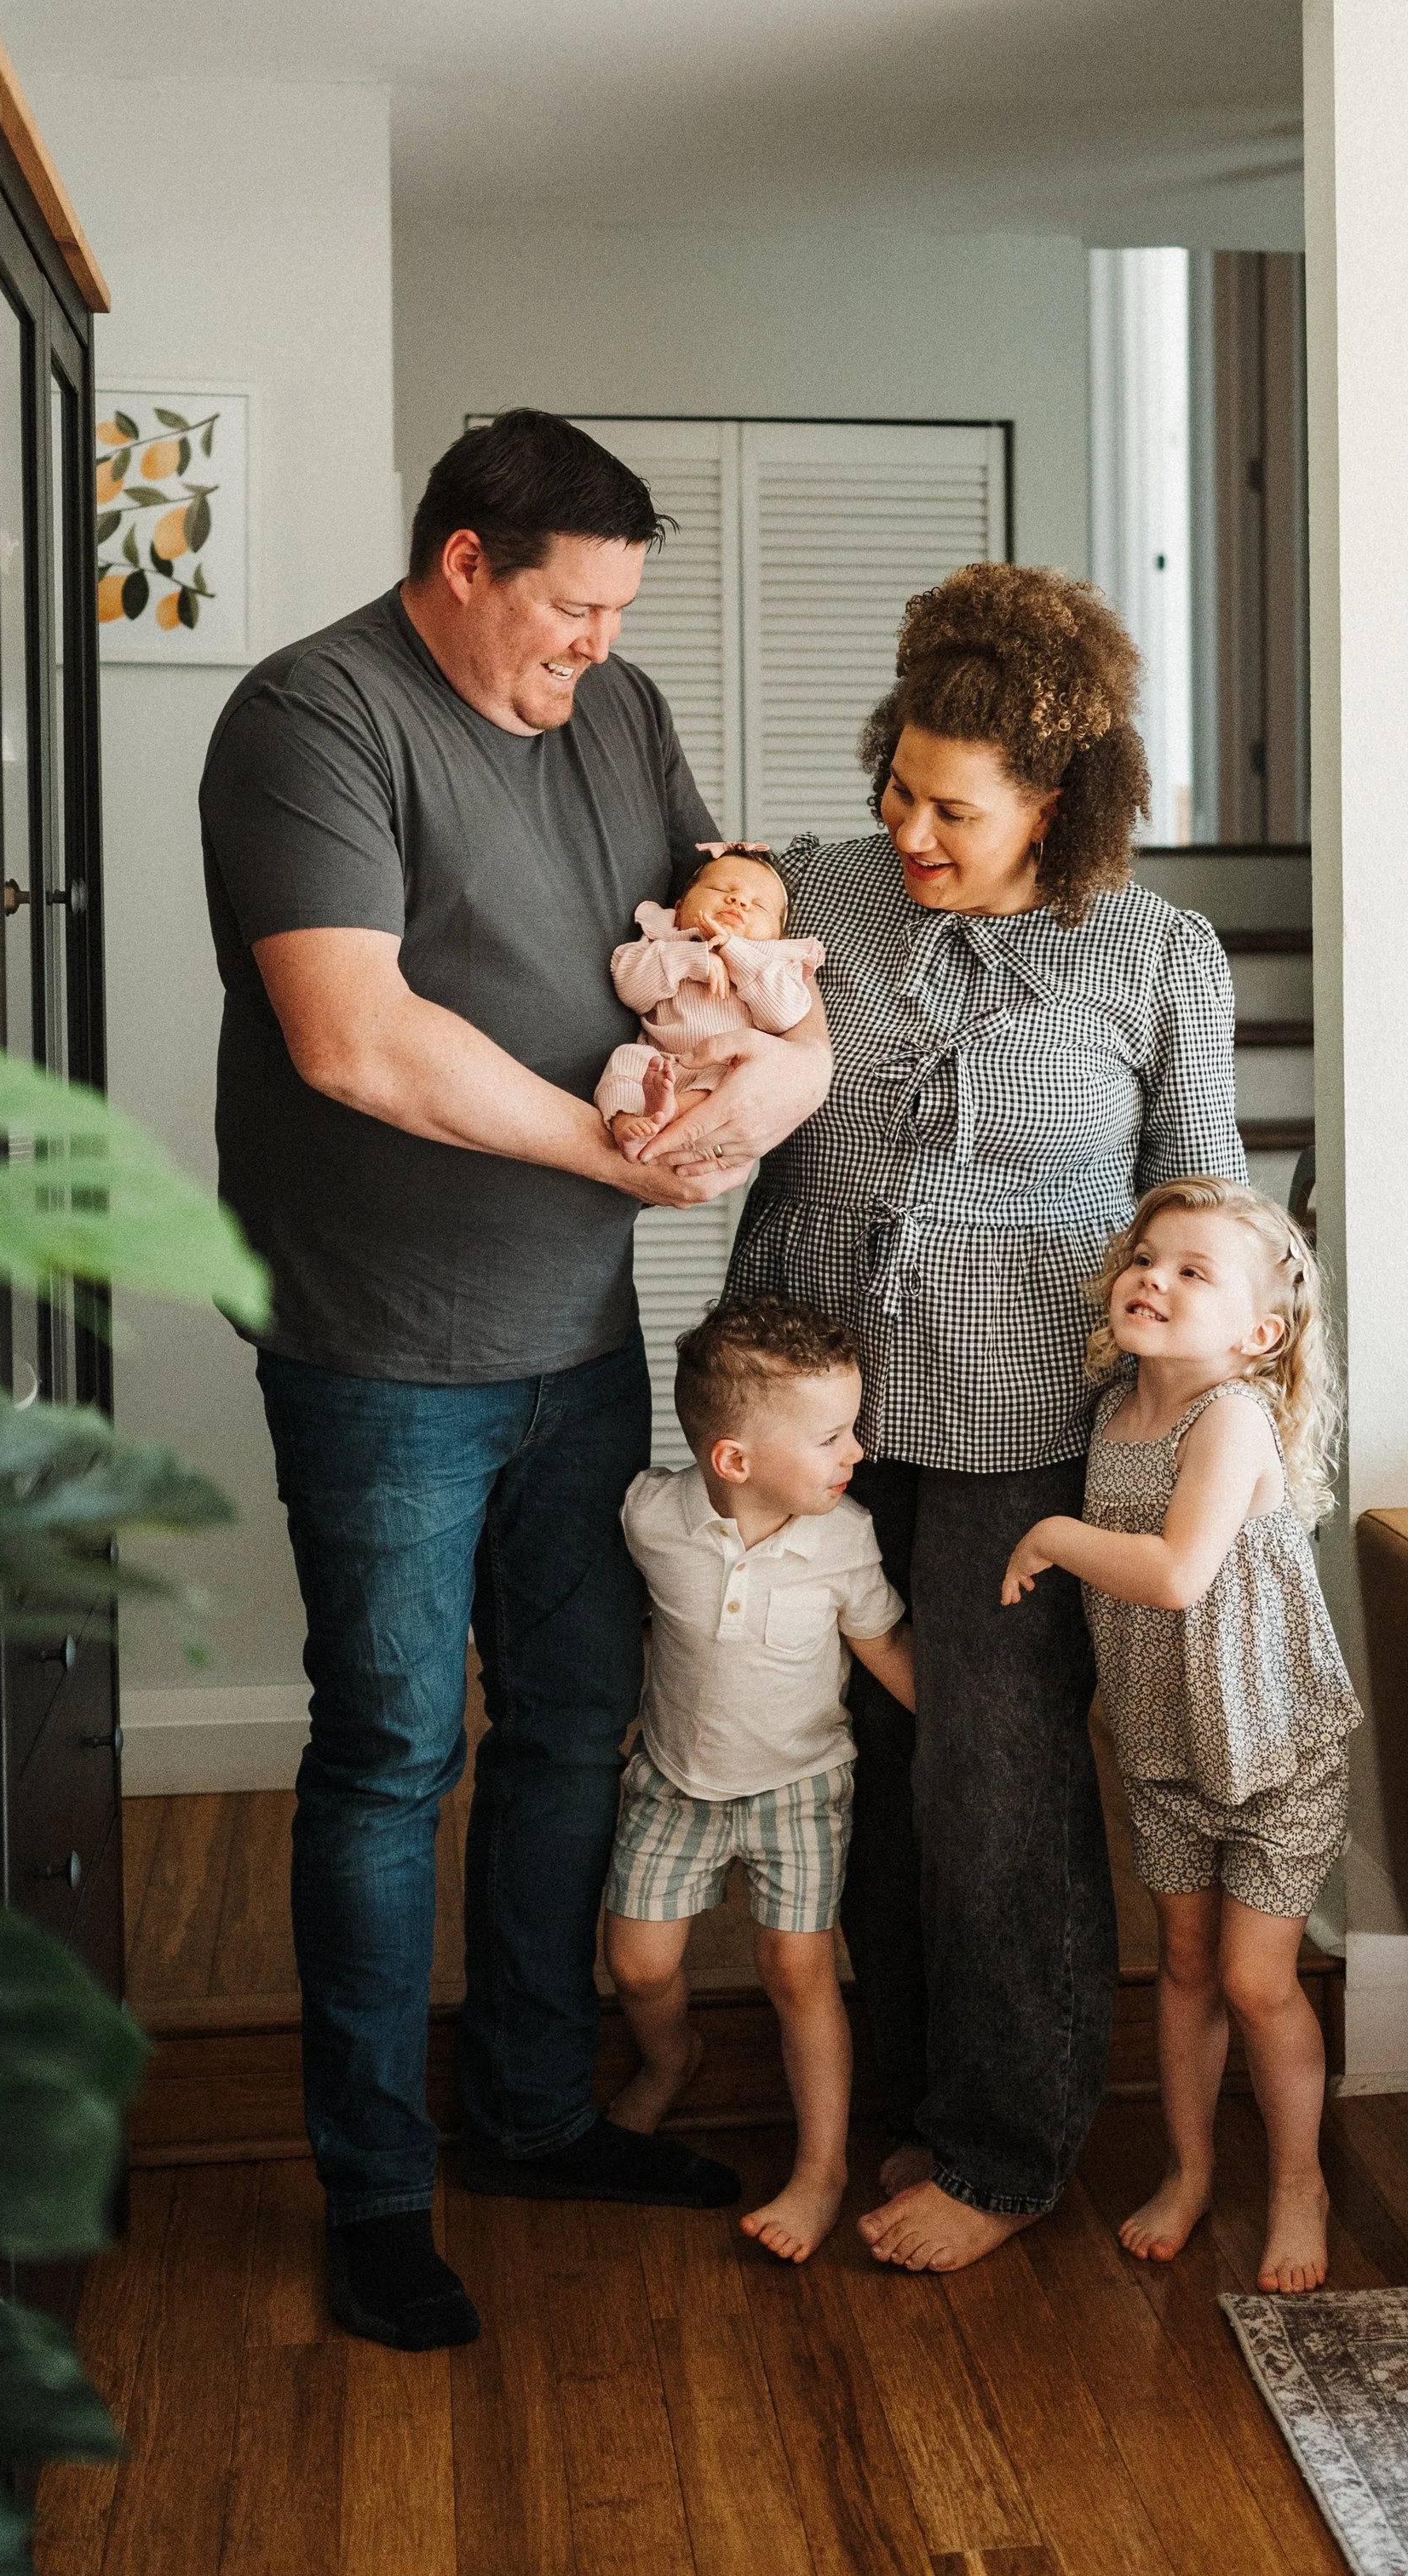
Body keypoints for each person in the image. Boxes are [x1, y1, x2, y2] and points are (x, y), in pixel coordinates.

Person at [198, 409, 832, 2354]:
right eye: (569, 607)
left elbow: (719, 943)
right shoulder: (316, 716)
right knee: (393, 1749)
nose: (594, 646)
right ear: (463, 559)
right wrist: (613, 1153)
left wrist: (769, 1069)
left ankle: (537, 2112)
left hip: (576, 1327)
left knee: (572, 1718)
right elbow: (353, 1033)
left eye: (618, 612)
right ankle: (378, 2185)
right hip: (381, 1335)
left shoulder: (617, 711)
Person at [724, 560, 1245, 2274]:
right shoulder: (818, 894)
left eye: (953, 807)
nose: (910, 827)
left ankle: (1008, 2145)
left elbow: (1211, 1210)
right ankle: (889, 2082)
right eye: (897, 785)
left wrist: (1210, 1448)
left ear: (1054, 801)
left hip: (1020, 1422)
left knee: (994, 1781)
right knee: (847, 1760)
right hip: (802, 1412)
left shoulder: (1158, 955)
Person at [1002, 1175, 1358, 2292]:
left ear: (1257, 1332)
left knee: (1257, 1980)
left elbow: (1174, 1573)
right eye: (1145, 1256)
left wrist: (1053, 1532)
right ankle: (1190, 2166)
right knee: (1186, 1966)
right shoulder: (1114, 1414)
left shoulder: (1231, 1416)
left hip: (1274, 1746)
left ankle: (1299, 2180)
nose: (1151, 1277)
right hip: (1168, 1751)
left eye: (1191, 1270)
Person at [603, 1294, 915, 2263]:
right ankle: (672, 2057)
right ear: (732, 1458)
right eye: (830, 1434)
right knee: (639, 1964)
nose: (856, 1449)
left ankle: (819, 2169)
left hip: (801, 1786)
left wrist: (969, 1732)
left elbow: (883, 1643)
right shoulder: (652, 1513)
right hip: (674, 1781)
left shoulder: (845, 1535)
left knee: (797, 1969)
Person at [596, 848, 825, 1152]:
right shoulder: (664, 943)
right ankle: (626, 1121)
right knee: (626, 1058)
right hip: (661, 1062)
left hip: (721, 1067)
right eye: (720, 890)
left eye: (759, 905)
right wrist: (698, 958)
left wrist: (734, 953)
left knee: (733, 1082)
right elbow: (631, 988)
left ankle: (670, 1113)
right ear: (678, 910)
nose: (739, 901)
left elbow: (783, 1015)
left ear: (778, 936)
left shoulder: (775, 963)